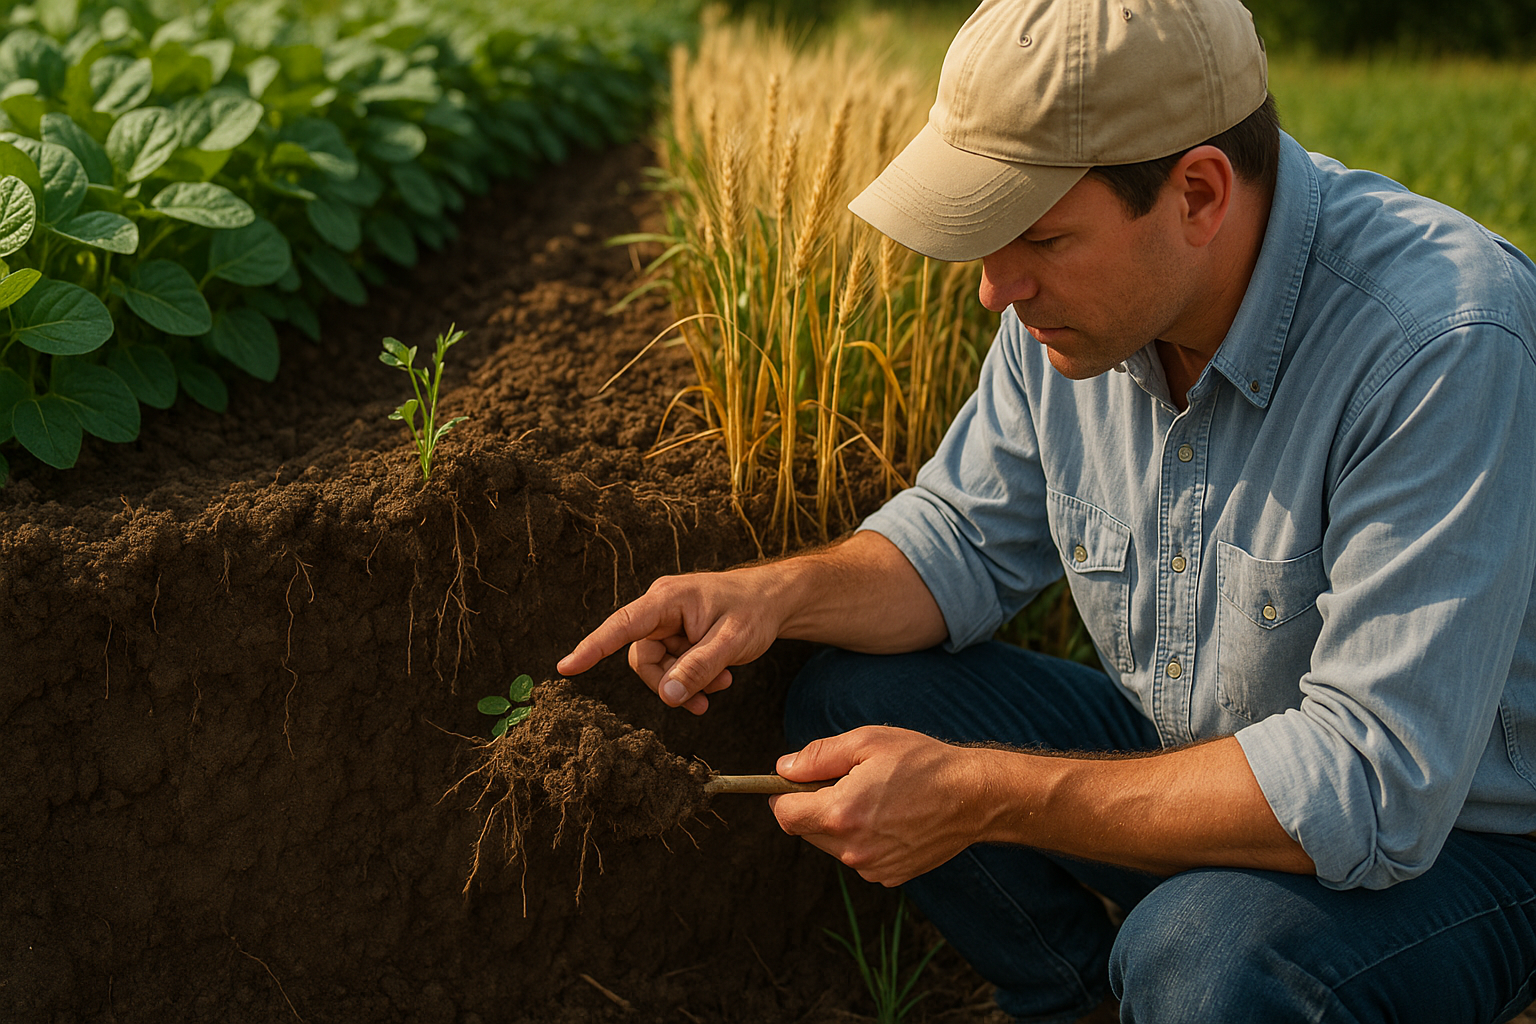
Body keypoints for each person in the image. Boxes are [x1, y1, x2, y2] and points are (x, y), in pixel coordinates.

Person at [560, 0, 1536, 1019]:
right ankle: (1077, 998)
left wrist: (981, 791)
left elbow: (1375, 783)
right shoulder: (1076, 313)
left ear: (1198, 192)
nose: (995, 291)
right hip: (1195, 754)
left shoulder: (1440, 340)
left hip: (1462, 849)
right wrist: (765, 593)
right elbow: (961, 540)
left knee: (1206, 954)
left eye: (1039, 238)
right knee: (852, 694)